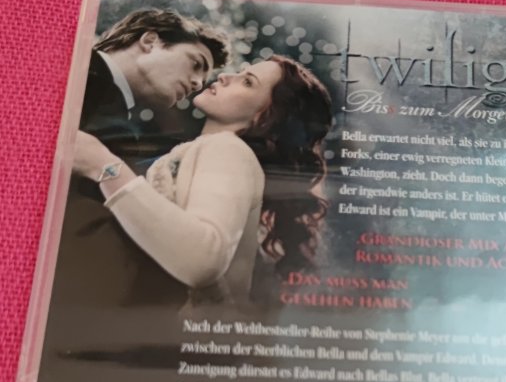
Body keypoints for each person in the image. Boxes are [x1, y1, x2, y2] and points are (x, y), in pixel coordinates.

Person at [71, 54, 333, 305]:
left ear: (265, 117)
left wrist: (103, 165)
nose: (226, 76)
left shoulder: (228, 149)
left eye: (247, 82)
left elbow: (203, 260)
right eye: (240, 72)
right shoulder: (212, 151)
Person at [80, 8, 230, 157]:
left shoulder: (114, 117)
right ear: (149, 41)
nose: (198, 85)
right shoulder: (79, 74)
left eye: (203, 81)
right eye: (196, 64)